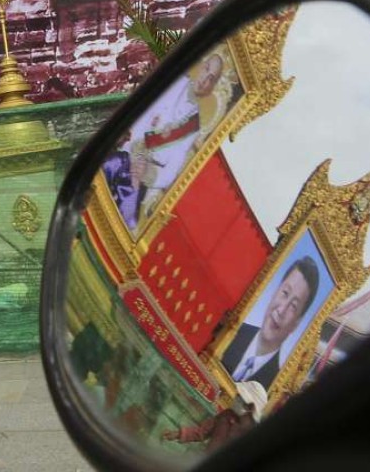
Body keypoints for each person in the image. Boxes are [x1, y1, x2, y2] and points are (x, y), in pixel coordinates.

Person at [103, 51, 229, 231]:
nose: (205, 81)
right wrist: (130, 150)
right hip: (122, 154)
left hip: (141, 179)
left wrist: (149, 173)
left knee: (125, 224)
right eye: (206, 70)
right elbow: (139, 113)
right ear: (201, 66)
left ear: (212, 87)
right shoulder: (171, 81)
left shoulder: (193, 127)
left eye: (212, 79)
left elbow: (171, 171)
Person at [221, 256, 321, 390]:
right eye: (285, 293)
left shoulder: (273, 384)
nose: (281, 310)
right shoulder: (228, 330)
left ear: (297, 323)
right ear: (274, 292)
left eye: (293, 306)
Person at [162, 381, 267, 450]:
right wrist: (178, 434)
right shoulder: (226, 415)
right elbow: (202, 432)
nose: (236, 398)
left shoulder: (252, 437)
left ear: (251, 408)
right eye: (238, 395)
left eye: (241, 397)